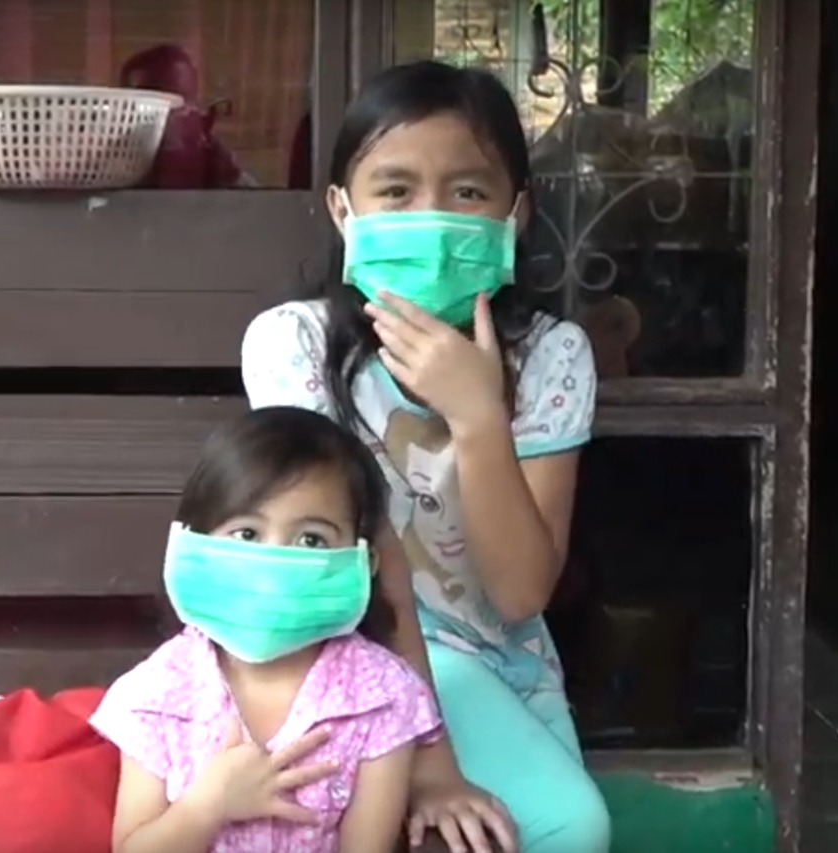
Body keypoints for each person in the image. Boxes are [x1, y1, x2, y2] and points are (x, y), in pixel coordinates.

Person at [240, 60, 611, 853]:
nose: (432, 216)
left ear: (515, 215)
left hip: (503, 664)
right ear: (344, 209)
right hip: (344, 652)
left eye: (467, 192)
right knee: (566, 825)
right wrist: (429, 753)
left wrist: (477, 414)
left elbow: (519, 593)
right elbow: (343, 564)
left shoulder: (551, 357)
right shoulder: (294, 345)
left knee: (563, 831)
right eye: (396, 190)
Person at [90, 406, 444, 853]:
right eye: (246, 534)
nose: (274, 563)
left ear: (362, 563)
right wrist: (208, 806)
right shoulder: (157, 697)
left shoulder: (382, 698)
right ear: (194, 543)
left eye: (311, 539)